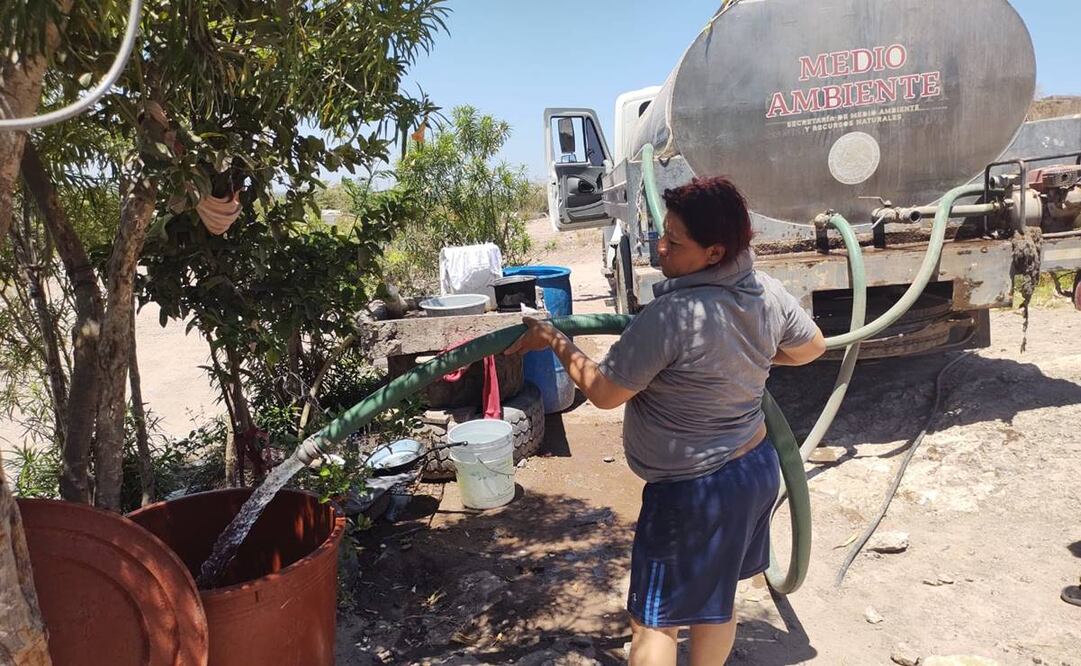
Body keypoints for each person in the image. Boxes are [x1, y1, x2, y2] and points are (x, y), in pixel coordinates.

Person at [506, 176, 826, 665]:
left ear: (714, 252)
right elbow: (810, 348)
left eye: (675, 242)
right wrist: (745, 358)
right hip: (754, 472)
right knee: (713, 602)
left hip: (693, 493)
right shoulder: (767, 292)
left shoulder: (670, 316)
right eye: (663, 232)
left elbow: (604, 392)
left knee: (656, 620)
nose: (660, 247)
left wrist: (553, 338)